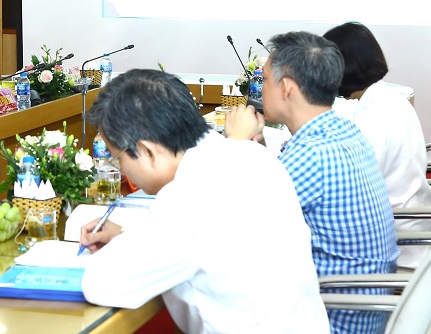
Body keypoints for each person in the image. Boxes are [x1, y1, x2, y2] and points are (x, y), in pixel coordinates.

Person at [79, 69, 329, 334]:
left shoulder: (188, 196)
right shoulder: (253, 154)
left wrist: (130, 242)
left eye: (117, 158)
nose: (121, 169)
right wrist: (130, 236)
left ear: (148, 151)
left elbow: (101, 284)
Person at [225, 31, 398, 334]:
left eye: (265, 80)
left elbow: (230, 219)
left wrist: (236, 143)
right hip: (360, 310)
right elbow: (275, 186)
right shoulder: (344, 132)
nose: (260, 88)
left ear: (286, 88)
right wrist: (257, 147)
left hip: (329, 320)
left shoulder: (311, 154)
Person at [323, 22, 431, 269]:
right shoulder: (393, 100)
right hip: (412, 223)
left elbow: (349, 196)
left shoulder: (372, 119)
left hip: (392, 244)